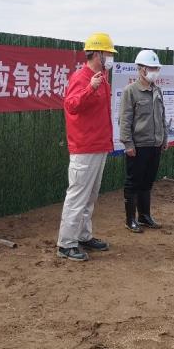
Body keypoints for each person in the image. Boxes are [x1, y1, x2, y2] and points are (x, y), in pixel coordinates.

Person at [56, 32, 117, 262]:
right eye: (108, 53)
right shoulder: (82, 78)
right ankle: (66, 243)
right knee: (77, 196)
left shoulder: (102, 78)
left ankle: (82, 236)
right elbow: (71, 105)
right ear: (97, 54)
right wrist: (90, 88)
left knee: (90, 196)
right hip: (84, 148)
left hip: (99, 145)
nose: (111, 58)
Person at [119, 49, 169, 233]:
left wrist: (164, 138)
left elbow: (162, 116)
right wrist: (128, 143)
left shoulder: (157, 90)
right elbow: (125, 119)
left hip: (154, 144)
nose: (155, 71)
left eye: (157, 68)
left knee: (148, 182)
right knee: (133, 183)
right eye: (152, 68)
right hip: (138, 146)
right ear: (141, 69)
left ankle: (145, 216)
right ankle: (130, 219)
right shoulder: (130, 91)